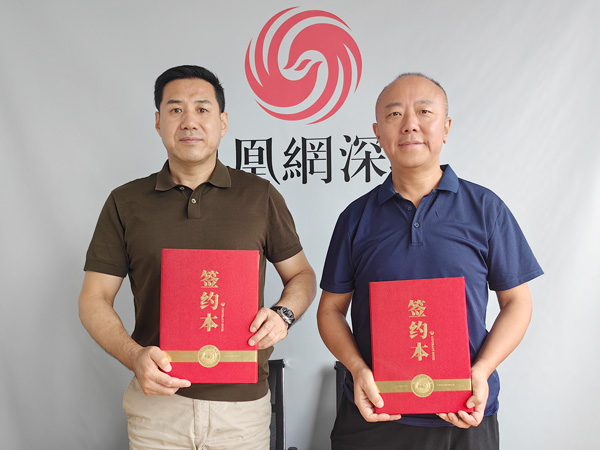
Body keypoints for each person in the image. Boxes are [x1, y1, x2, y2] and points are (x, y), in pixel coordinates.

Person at [78, 65, 316, 450]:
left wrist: (284, 314)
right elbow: (93, 298)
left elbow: (302, 274)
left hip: (241, 410)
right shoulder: (125, 202)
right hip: (158, 406)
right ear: (158, 122)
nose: (189, 121)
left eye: (202, 109)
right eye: (175, 109)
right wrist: (134, 356)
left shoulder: (259, 196)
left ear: (223, 122)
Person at [317, 73, 543, 450]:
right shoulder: (355, 218)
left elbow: (517, 302)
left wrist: (482, 370)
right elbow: (330, 310)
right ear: (378, 133)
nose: (410, 124)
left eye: (424, 112)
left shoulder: (486, 209)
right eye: (394, 114)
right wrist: (357, 369)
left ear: (446, 128)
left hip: (464, 413)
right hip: (373, 413)